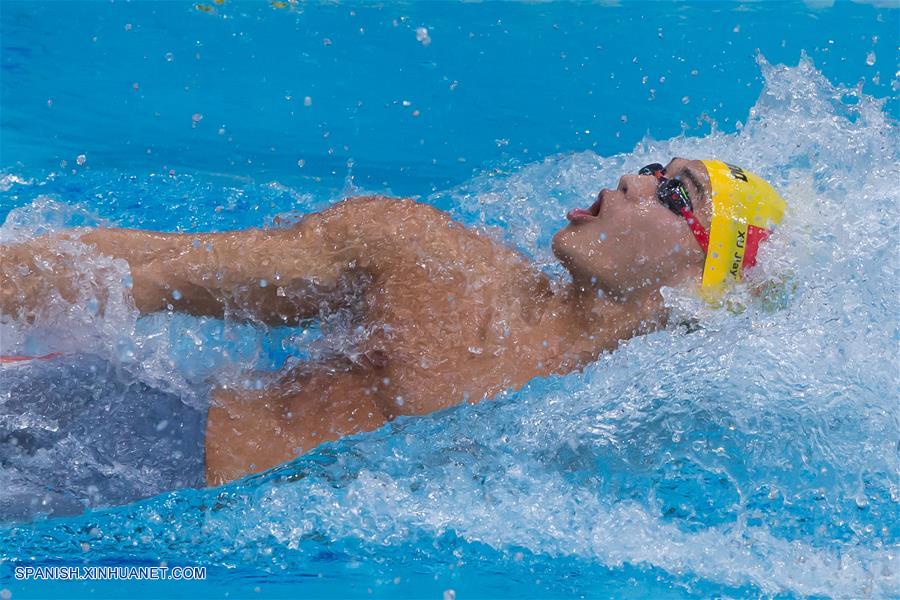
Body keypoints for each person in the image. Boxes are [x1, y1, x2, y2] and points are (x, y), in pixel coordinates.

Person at [0, 158, 786, 485]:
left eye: (675, 196)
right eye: (651, 169)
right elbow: (140, 269)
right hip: (130, 434)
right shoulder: (424, 259)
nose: (632, 180)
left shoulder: (636, 430)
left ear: (700, 280)